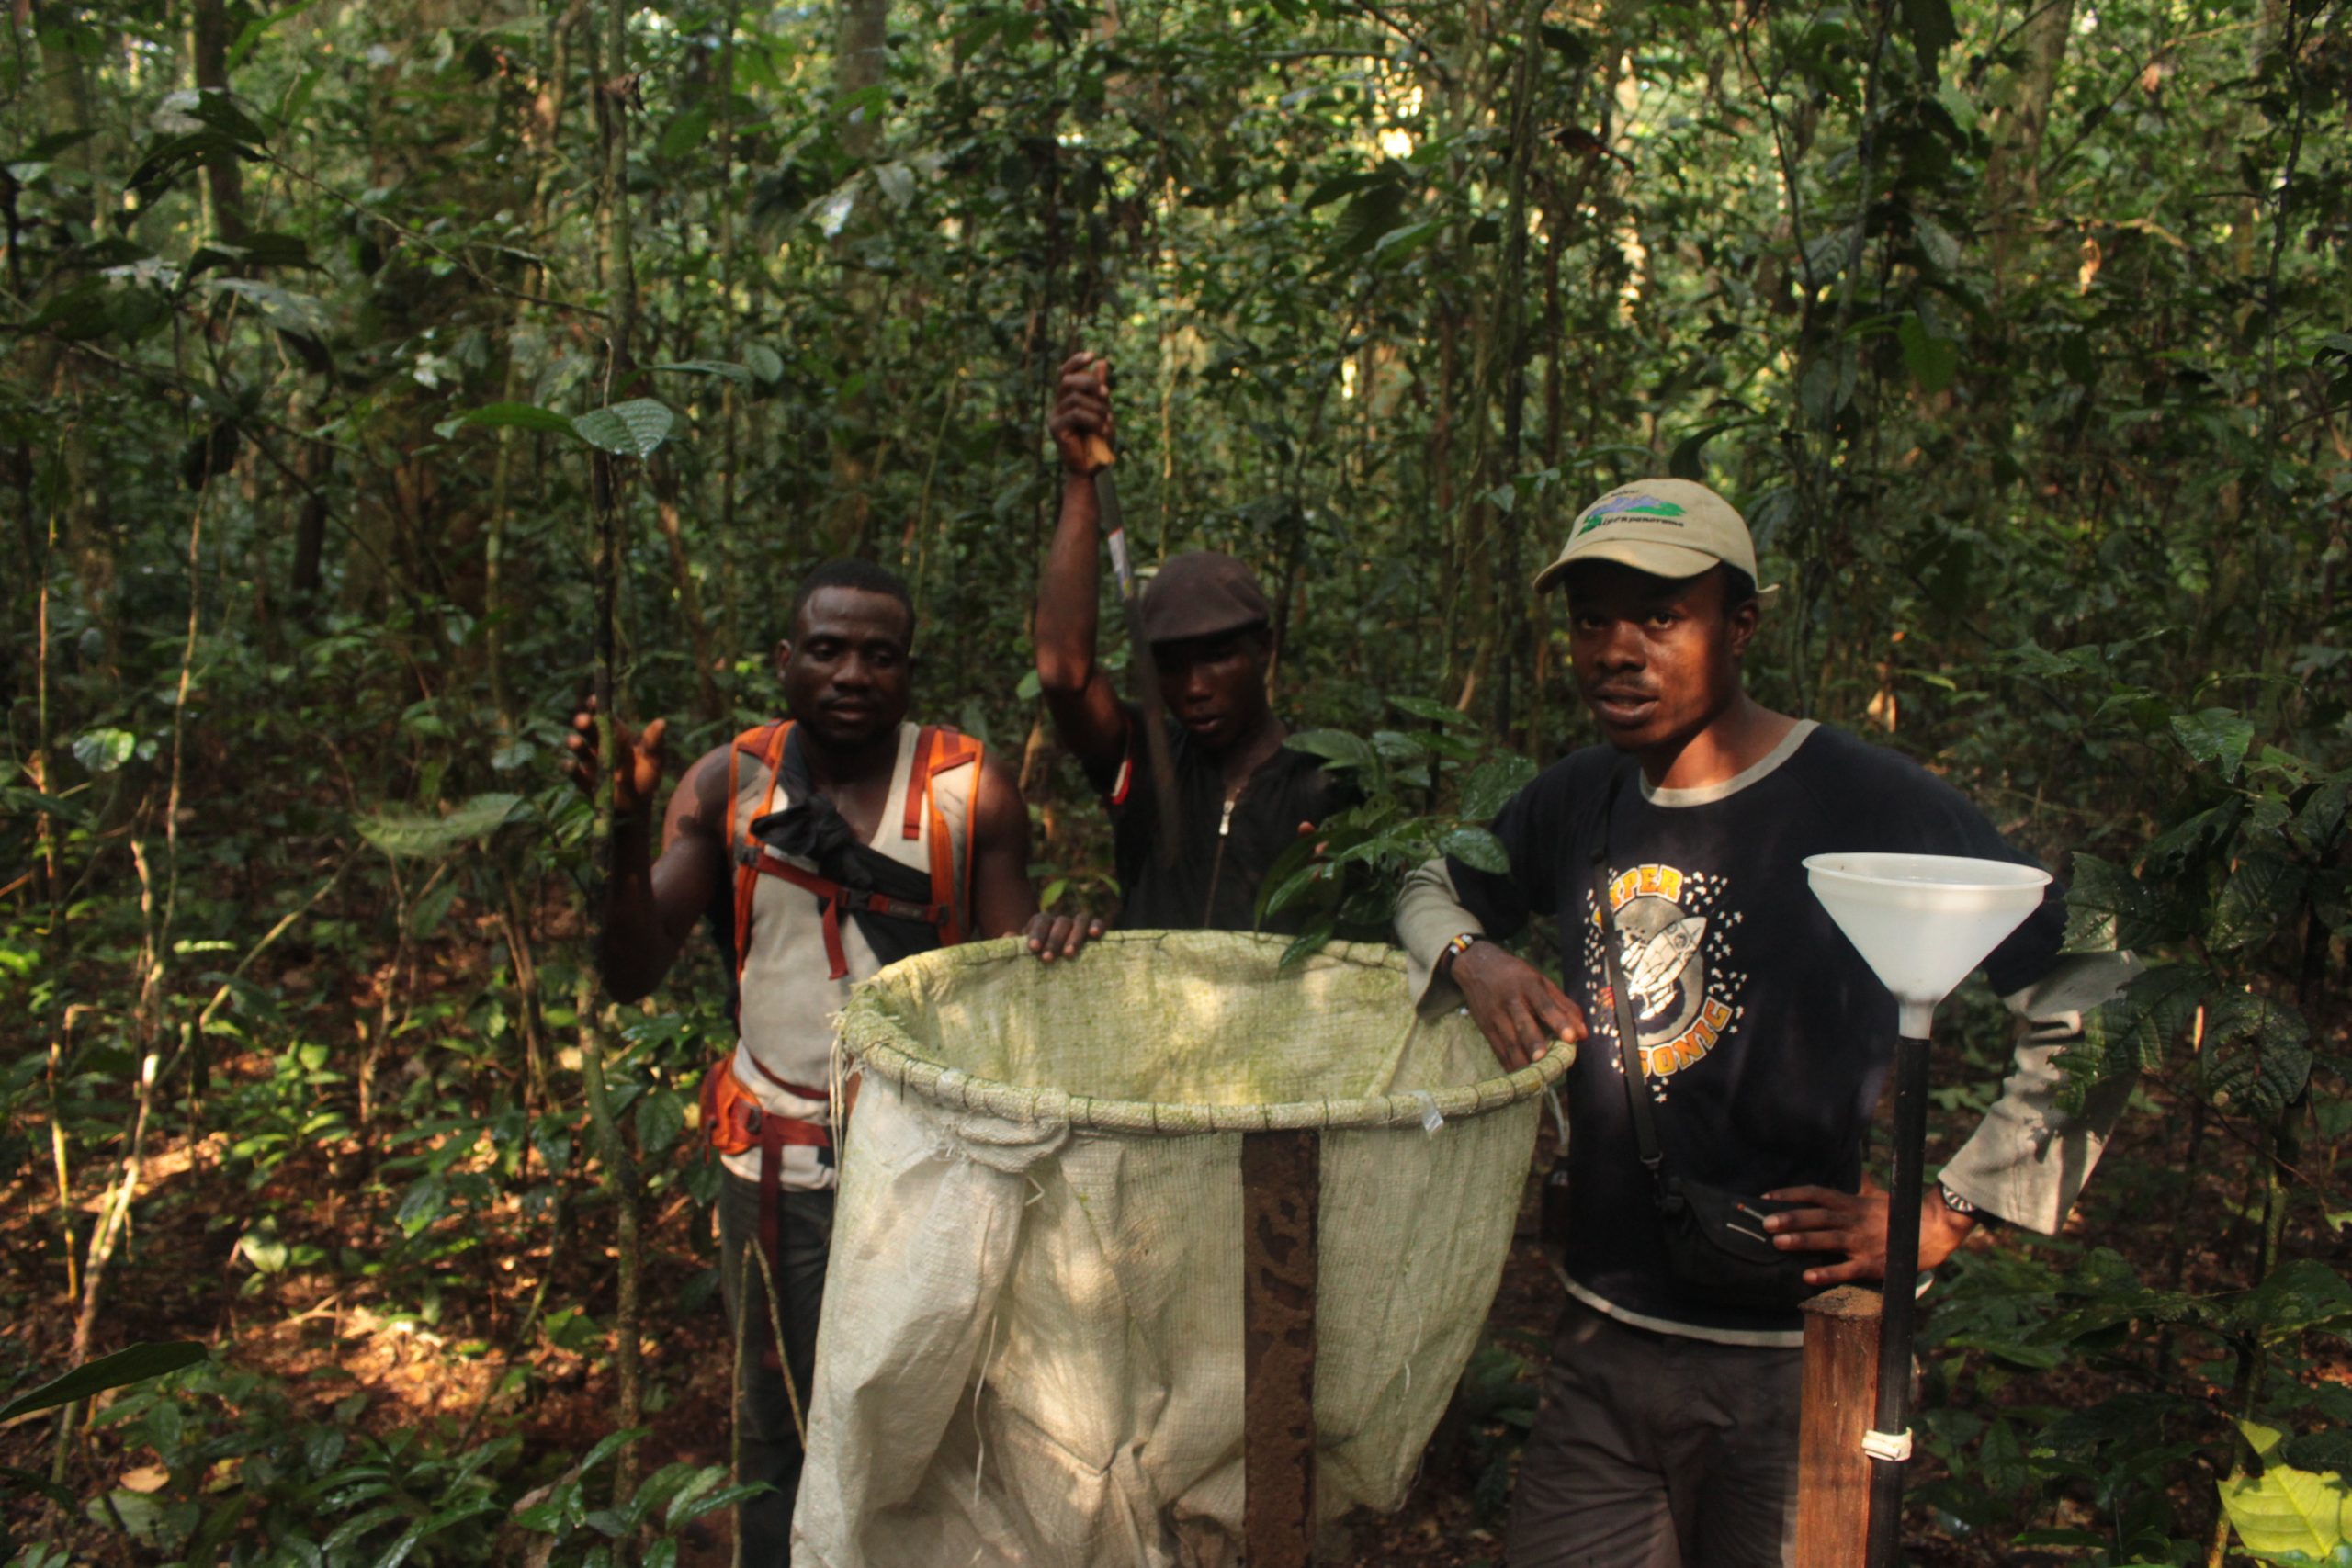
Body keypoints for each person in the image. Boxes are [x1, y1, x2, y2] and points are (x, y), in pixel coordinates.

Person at [1393, 479, 2137, 1566]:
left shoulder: (1862, 800)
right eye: (1591, 618)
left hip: (1794, 1363)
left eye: (1659, 617)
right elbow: (1424, 886)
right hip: (1603, 1346)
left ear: (1738, 624)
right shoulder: (1573, 799)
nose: (1617, 649)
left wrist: (1951, 1208)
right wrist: (1475, 955)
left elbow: (2092, 993)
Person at [568, 558, 1096, 1564]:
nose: (851, 672)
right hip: (775, 1164)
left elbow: (1014, 989)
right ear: (785, 662)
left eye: (878, 655)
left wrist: (1061, 942)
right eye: (826, 649)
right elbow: (633, 970)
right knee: (775, 1427)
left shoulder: (965, 789)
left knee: (930, 1415)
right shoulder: (729, 782)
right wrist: (624, 823)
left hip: (928, 1167)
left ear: (907, 673)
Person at [1033, 350, 1351, 933]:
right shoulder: (1144, 756)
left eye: (1219, 656)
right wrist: (1082, 479)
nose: (1195, 688)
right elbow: (1063, 674)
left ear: (1266, 648)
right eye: (1170, 667)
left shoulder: (1332, 778)